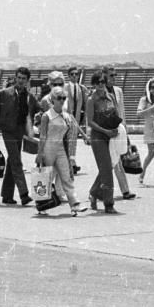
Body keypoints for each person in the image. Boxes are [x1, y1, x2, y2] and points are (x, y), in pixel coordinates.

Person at [0, 67, 39, 206]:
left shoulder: (30, 97)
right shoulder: (5, 93)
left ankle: (7, 195)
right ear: (15, 78)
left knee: (12, 162)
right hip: (8, 131)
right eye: (19, 78)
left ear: (28, 81)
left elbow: (39, 110)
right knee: (16, 161)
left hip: (20, 131)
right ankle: (24, 194)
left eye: (24, 79)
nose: (21, 81)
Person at [35, 86, 88, 216]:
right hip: (48, 147)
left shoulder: (66, 116)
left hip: (60, 148)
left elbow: (70, 133)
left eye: (64, 98)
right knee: (45, 176)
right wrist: (40, 153)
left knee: (66, 176)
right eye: (59, 98)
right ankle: (42, 205)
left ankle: (75, 204)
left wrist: (70, 153)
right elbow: (42, 136)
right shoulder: (47, 116)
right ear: (53, 99)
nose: (62, 100)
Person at [84, 71, 120, 214]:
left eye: (103, 82)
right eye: (98, 82)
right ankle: (109, 203)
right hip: (98, 137)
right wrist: (105, 131)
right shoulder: (91, 99)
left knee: (108, 167)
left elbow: (116, 114)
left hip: (111, 135)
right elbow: (90, 122)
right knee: (106, 169)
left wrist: (117, 128)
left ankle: (94, 192)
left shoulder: (110, 97)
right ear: (93, 84)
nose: (101, 85)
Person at [104, 67, 136, 200]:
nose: (113, 78)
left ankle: (125, 190)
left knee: (116, 161)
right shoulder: (100, 92)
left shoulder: (118, 91)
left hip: (119, 130)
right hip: (107, 132)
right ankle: (124, 190)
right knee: (111, 162)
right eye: (111, 75)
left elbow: (122, 112)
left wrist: (125, 132)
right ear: (104, 76)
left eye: (114, 75)